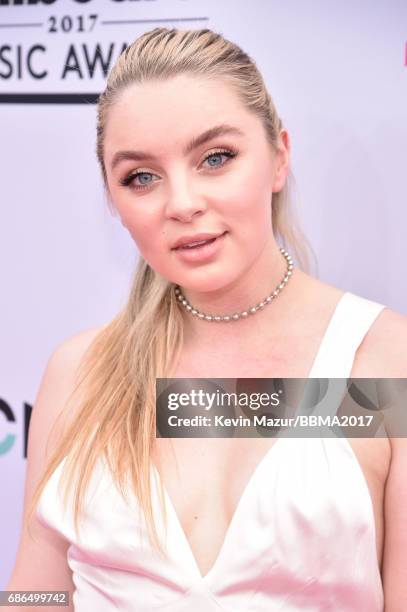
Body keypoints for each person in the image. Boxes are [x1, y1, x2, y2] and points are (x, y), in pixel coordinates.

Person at [6, 27, 407, 612]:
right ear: (113, 198)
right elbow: (36, 592)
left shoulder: (383, 362)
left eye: (216, 158)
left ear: (279, 157)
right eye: (141, 177)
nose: (182, 203)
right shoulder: (80, 373)